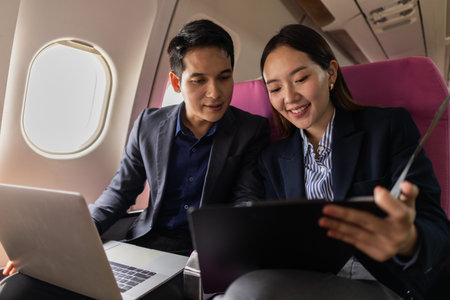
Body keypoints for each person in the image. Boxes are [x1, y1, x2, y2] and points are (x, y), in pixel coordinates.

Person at [0, 19, 269, 299]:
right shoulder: (149, 124)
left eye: (224, 77)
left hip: (199, 256)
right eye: (199, 80)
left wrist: (222, 248)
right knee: (22, 288)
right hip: (143, 242)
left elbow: (246, 200)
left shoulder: (251, 130)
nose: (215, 93)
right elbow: (120, 192)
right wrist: (63, 243)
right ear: (177, 83)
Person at [218, 24, 450, 300]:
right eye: (275, 88)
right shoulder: (273, 159)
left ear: (330, 73)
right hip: (303, 281)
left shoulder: (387, 128)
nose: (289, 97)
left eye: (301, 78)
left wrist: (408, 239)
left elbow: (437, 229)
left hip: (382, 282)